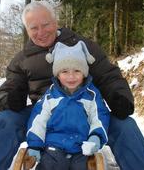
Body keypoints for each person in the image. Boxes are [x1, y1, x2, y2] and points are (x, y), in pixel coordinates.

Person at [0, 0, 144, 170]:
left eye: (45, 24)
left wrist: (120, 97)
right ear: (27, 30)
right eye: (34, 28)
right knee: (6, 120)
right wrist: (9, 99)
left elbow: (108, 75)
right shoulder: (22, 60)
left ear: (55, 22)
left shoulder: (81, 46)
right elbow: (9, 87)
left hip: (84, 111)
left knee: (126, 125)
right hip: (44, 114)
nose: (41, 32)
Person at [26, 41, 111, 170]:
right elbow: (38, 120)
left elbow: (99, 117)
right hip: (53, 148)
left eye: (77, 70)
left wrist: (96, 137)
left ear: (84, 73)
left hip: (81, 149)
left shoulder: (92, 95)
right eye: (65, 71)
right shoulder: (50, 96)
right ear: (58, 74)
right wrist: (34, 144)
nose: (71, 76)